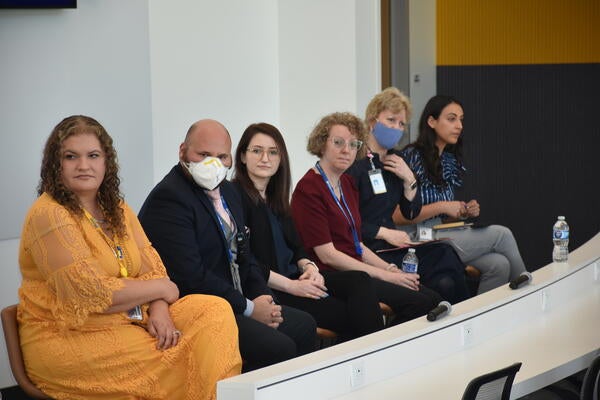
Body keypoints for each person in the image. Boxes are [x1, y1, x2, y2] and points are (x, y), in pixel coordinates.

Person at [17, 115, 241, 400]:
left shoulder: (117, 208)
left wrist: (159, 307)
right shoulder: (49, 213)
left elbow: (154, 268)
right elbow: (91, 293)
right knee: (172, 356)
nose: (84, 165)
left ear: (106, 162)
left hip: (131, 317)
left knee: (213, 311)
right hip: (72, 333)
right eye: (71, 156)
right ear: (54, 164)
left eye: (93, 155)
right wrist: (161, 290)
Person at [139, 119, 316, 372]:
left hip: (236, 300)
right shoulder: (170, 198)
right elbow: (191, 276)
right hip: (201, 307)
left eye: (221, 156)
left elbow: (245, 256)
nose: (213, 164)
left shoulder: (229, 193)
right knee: (279, 347)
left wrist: (261, 296)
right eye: (203, 155)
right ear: (182, 152)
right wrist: (250, 308)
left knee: (304, 324)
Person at [232, 122, 384, 341]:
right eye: (257, 151)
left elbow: (298, 247)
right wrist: (293, 286)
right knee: (353, 316)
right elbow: (248, 262)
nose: (265, 158)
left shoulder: (276, 198)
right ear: (243, 157)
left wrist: (310, 267)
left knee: (359, 281)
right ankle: (372, 362)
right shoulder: (234, 197)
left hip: (297, 278)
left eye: (273, 152)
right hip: (272, 289)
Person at [291, 112, 442, 325]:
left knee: (432, 298)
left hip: (356, 269)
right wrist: (386, 276)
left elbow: (357, 244)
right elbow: (328, 255)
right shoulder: (309, 188)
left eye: (354, 144)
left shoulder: (347, 184)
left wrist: (389, 268)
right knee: (418, 303)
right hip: (332, 275)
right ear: (321, 144)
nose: (347, 150)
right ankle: (389, 354)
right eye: (338, 142)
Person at [347, 87, 470, 303]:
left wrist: (409, 180)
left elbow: (410, 212)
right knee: (444, 260)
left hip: (394, 247)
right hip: (370, 251)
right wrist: (384, 232)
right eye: (391, 120)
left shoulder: (398, 159)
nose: (396, 128)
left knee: (446, 274)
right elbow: (347, 222)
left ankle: (456, 319)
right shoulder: (355, 164)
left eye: (401, 124)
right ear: (372, 121)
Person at [396, 95, 527, 293]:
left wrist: (463, 212)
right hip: (415, 238)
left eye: (461, 119)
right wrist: (443, 207)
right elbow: (398, 216)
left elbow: (440, 217)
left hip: (437, 233)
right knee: (503, 234)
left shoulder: (448, 160)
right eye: (451, 119)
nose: (459, 125)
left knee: (499, 264)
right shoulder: (411, 157)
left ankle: (482, 321)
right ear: (431, 121)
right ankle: (528, 294)